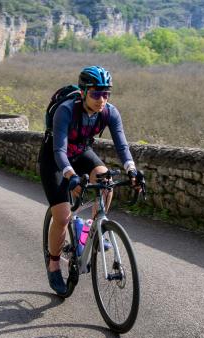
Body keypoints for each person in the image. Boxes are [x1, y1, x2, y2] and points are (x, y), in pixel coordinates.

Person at [38, 65, 140, 294]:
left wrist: (132, 170)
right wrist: (71, 175)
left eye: (106, 94)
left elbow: (122, 145)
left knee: (106, 180)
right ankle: (54, 264)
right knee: (62, 217)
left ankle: (92, 229)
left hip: (81, 151)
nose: (101, 99)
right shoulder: (65, 110)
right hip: (55, 159)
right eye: (95, 93)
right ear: (83, 92)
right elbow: (59, 151)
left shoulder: (109, 112)